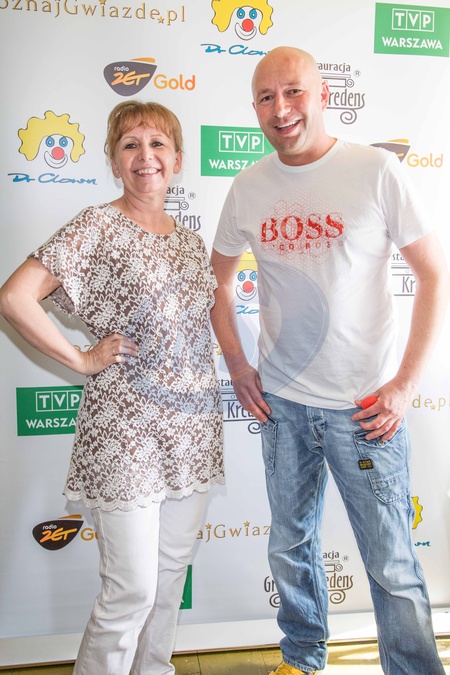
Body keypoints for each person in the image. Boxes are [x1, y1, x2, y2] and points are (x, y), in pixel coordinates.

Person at [210, 46, 449, 675]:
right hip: (283, 406)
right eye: (266, 97)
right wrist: (237, 365)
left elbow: (433, 274)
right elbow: (218, 282)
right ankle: (302, 659)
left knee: (391, 563)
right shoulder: (248, 186)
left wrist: (405, 384)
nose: (281, 109)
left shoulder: (375, 170)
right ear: (255, 109)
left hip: (364, 408)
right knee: (291, 547)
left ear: (323, 95)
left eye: (293, 92)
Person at [0, 100, 224, 675]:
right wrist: (81, 358)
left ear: (178, 158)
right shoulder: (96, 226)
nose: (145, 156)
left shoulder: (191, 242)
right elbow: (14, 296)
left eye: (158, 144)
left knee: (168, 580)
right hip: (124, 434)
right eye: (130, 145)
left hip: (192, 431)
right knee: (131, 590)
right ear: (114, 159)